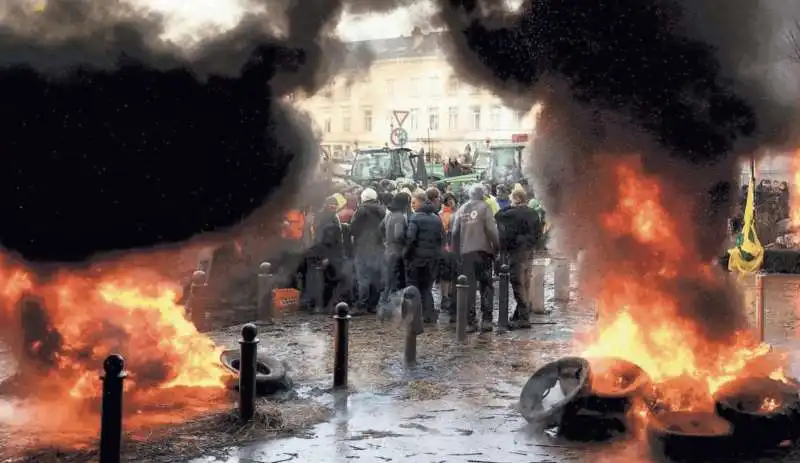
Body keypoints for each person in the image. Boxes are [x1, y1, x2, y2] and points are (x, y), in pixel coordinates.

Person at [452, 184, 500, 332]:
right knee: (486, 286)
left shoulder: (461, 209)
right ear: (482, 195)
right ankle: (486, 320)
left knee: (469, 288)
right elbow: (492, 230)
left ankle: (470, 321)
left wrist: (457, 252)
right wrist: (497, 247)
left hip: (466, 253)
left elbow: (454, 232)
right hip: (483, 252)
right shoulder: (485, 208)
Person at [495, 188, 543, 328]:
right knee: (526, 282)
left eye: (511, 198)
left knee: (517, 282)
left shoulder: (512, 213)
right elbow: (539, 234)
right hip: (529, 251)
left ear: (516, 199)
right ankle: (520, 312)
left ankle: (523, 316)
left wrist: (513, 205)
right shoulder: (533, 213)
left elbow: (498, 215)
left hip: (516, 252)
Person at [405, 191, 444, 323]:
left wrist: (406, 254)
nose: (412, 205)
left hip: (417, 258)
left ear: (421, 202)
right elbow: (441, 239)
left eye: (414, 203)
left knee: (414, 286)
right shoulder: (436, 217)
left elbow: (410, 238)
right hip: (433, 258)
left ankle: (415, 314)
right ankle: (429, 314)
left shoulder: (415, 217)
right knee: (426, 288)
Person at [349, 188, 386, 314]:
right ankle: (373, 305)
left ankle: (362, 305)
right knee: (376, 277)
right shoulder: (382, 210)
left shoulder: (361, 210)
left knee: (363, 278)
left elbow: (353, 229)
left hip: (363, 248)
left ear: (363, 198)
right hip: (378, 248)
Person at [381, 192, 411, 304]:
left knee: (388, 281)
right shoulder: (399, 217)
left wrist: (385, 240)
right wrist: (405, 242)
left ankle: (385, 303)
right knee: (394, 282)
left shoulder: (389, 215)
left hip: (388, 250)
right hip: (397, 252)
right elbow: (398, 234)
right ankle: (388, 305)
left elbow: (380, 228)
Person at [438, 192, 458, 319]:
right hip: (449, 247)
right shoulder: (450, 215)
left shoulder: (441, 215)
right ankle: (447, 296)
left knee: (447, 275)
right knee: (448, 274)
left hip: (445, 247)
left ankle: (446, 296)